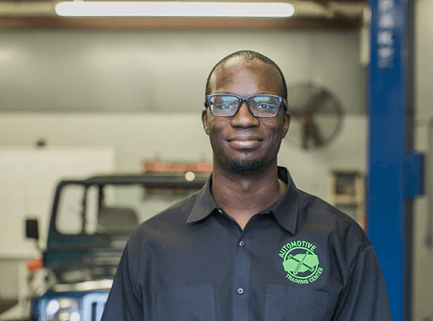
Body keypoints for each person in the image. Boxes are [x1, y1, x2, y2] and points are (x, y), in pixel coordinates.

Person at [101, 50, 392, 320]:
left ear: (285, 122)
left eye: (264, 104)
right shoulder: (150, 245)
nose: (244, 119)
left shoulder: (342, 242)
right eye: (225, 104)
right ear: (206, 120)